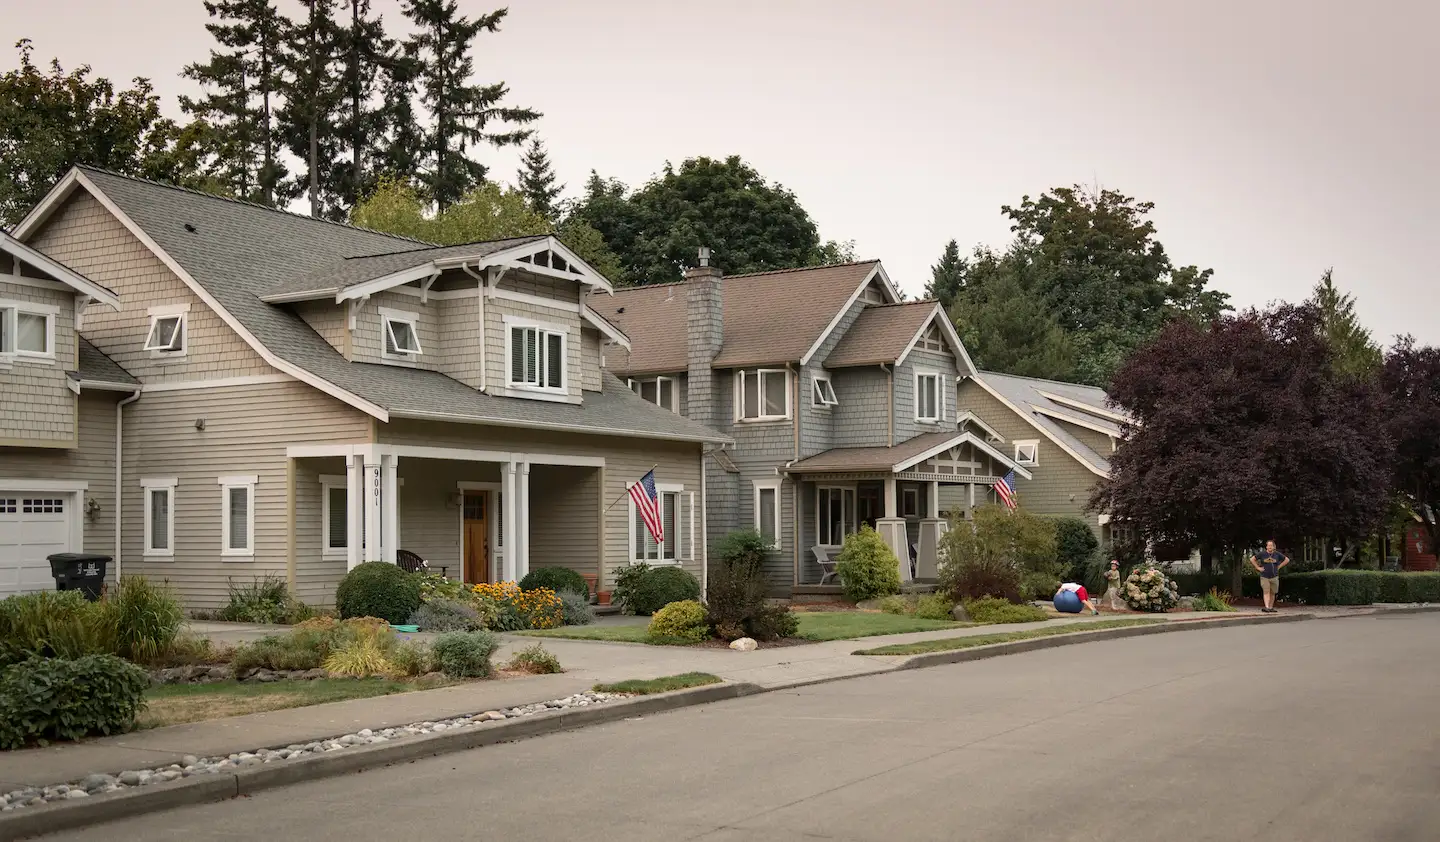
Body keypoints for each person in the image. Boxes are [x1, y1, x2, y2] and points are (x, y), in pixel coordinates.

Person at [1250, 540, 1290, 613]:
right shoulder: (1262, 554)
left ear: (1274, 547)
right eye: (1268, 546)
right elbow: (1252, 559)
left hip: (1274, 576)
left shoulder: (1277, 554)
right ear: (1266, 547)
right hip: (1264, 576)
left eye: (1271, 546)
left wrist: (1279, 566)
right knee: (1266, 591)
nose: (1270, 547)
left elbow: (1287, 560)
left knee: (1273, 592)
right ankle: (1267, 607)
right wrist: (1258, 567)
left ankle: (1271, 607)